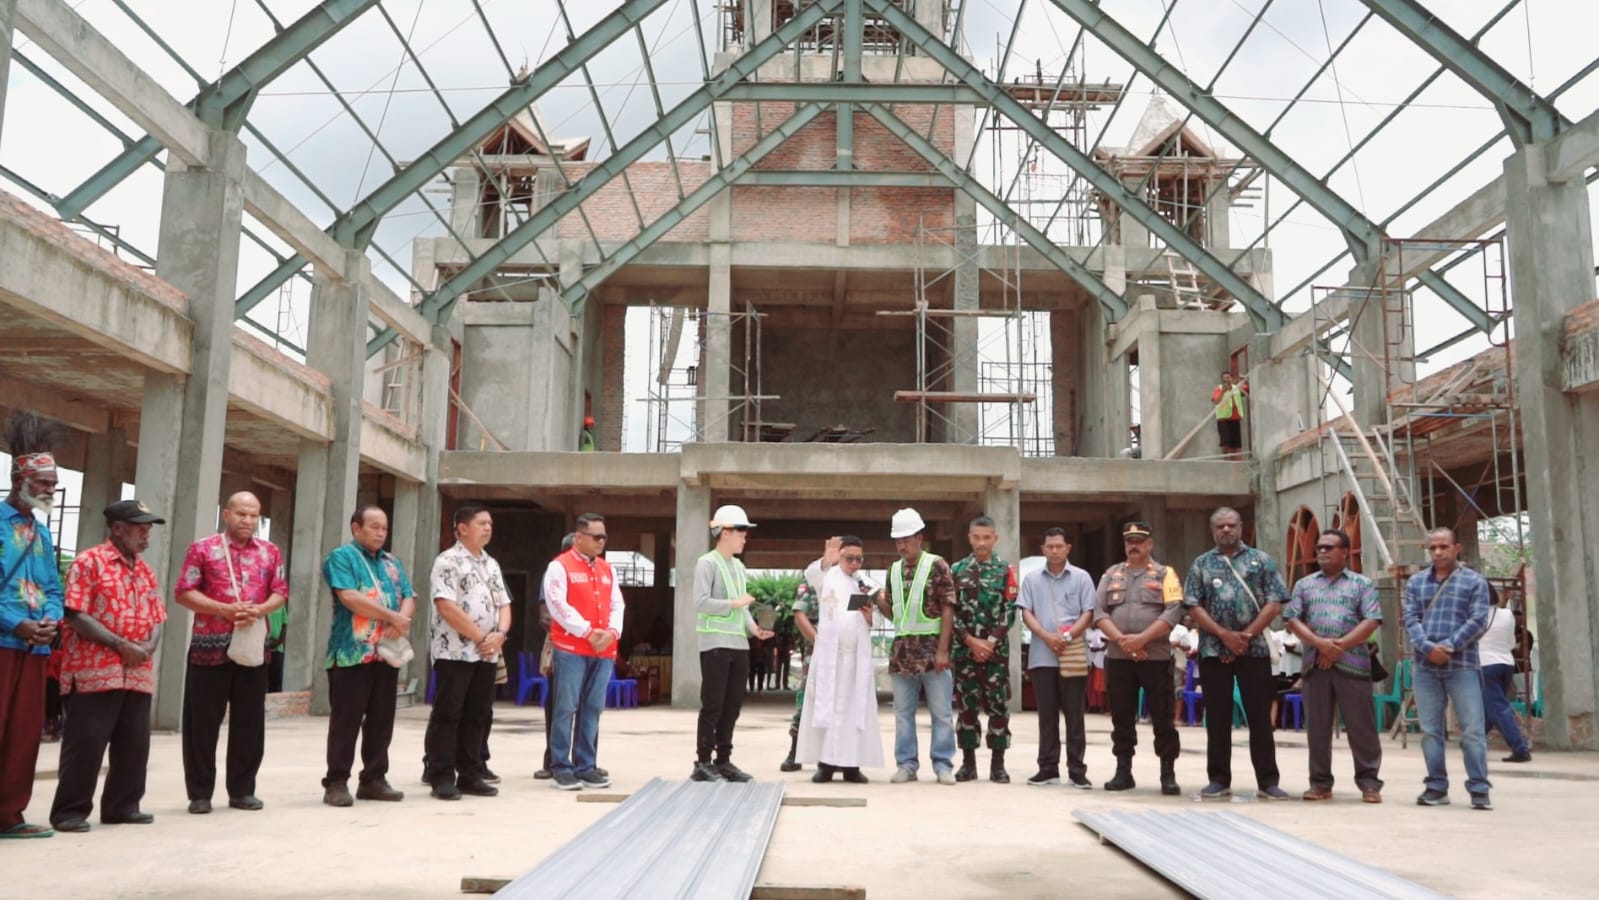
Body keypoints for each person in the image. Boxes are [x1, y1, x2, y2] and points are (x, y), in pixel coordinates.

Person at [49, 500, 166, 832]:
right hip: (95, 670)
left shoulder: (145, 571)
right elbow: (75, 614)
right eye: (140, 528)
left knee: (134, 745)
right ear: (117, 529)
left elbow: (158, 616)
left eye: (148, 529)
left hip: (137, 671)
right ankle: (70, 812)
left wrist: (148, 646)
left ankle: (123, 806)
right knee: (86, 745)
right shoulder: (89, 562)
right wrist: (120, 645)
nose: (146, 535)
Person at [175, 491, 287, 814]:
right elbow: (184, 592)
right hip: (208, 649)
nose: (247, 520)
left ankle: (242, 790)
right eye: (241, 514)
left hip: (252, 648)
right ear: (226, 515)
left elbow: (280, 592)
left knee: (250, 722)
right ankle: (200, 794)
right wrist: (222, 609)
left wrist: (260, 610)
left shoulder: (270, 552)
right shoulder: (203, 549)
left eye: (253, 515)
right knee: (201, 724)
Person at [1183, 506, 1290, 801]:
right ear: (1213, 530)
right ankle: (1218, 779)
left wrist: (1246, 636)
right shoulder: (1202, 564)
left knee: (1259, 717)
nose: (1226, 530)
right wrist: (1224, 636)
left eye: (1231, 525)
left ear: (1241, 527)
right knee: (1217, 718)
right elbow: (1193, 605)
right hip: (1213, 649)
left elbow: (1275, 602)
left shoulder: (1261, 560)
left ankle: (1268, 781)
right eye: (1220, 526)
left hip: (1254, 650)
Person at [320, 505, 414, 806]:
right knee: (346, 721)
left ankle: (374, 779)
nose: (380, 533)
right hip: (352, 653)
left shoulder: (392, 562)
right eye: (374, 526)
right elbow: (349, 597)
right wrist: (391, 616)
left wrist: (402, 619)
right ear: (356, 528)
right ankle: (336, 782)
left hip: (386, 653)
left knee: (381, 720)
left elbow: (408, 595)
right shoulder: (341, 557)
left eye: (384, 528)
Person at [1283, 529, 1384, 804]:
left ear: (1345, 552)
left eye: (1329, 547)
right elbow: (1292, 619)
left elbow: (1372, 620)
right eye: (1319, 548)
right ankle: (1320, 784)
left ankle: (1369, 783)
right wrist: (1320, 644)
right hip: (1315, 666)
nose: (1322, 552)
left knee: (1361, 727)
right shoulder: (1304, 584)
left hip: (1353, 665)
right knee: (1317, 728)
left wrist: (1338, 647)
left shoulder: (1362, 584)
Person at [0, 416, 64, 839]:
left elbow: (53, 587)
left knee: (24, 733)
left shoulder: (41, 534)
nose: (50, 490)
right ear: (19, 479)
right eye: (44, 482)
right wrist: (15, 623)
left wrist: (50, 620)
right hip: (4, 641)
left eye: (54, 484)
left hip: (36, 647)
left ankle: (9, 815)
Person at [424, 505, 510, 800]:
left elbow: (504, 605)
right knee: (448, 714)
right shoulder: (448, 561)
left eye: (490, 523)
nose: (488, 528)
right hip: (455, 652)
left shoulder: (491, 563)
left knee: (478, 714)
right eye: (482, 523)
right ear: (462, 528)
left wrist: (500, 635)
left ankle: (471, 773)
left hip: (487, 653)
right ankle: (441, 775)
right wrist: (482, 637)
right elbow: (446, 606)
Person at [1405, 527, 1493, 810]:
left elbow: (1477, 620)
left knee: (1472, 730)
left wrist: (1449, 646)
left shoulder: (1474, 581)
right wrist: (1428, 648)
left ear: (1457, 548)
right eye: (1433, 548)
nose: (1438, 552)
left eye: (1443, 546)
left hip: (1462, 665)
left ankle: (1479, 789)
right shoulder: (1416, 582)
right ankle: (1436, 787)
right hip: (1425, 666)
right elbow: (1410, 619)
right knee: (1430, 731)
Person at [1093, 521, 1184, 795]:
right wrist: (1124, 642)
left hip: (1155, 659)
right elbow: (1099, 612)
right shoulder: (1111, 574)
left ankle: (1167, 773)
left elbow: (1173, 612)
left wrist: (1141, 640)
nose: (1134, 546)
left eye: (1139, 541)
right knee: (1121, 716)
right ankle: (1123, 772)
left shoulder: (1166, 574)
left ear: (1150, 544)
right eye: (1129, 541)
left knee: (1162, 716)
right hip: (1119, 658)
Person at [691, 504, 773, 782]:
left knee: (732, 706)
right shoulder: (707, 563)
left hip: (739, 645)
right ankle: (703, 762)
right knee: (713, 705)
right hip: (714, 644)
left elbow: (743, 607)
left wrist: (754, 629)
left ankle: (723, 761)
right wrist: (734, 603)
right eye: (741, 532)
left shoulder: (738, 567)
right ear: (725, 532)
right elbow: (700, 602)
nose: (744, 538)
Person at [875, 508, 957, 785]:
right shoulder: (893, 570)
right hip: (903, 652)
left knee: (941, 712)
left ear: (919, 538)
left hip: (933, 651)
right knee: (902, 713)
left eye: (906, 539)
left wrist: (943, 651)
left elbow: (948, 608)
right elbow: (896, 614)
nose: (902, 545)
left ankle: (943, 765)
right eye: (898, 540)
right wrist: (877, 600)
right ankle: (906, 765)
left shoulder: (937, 565)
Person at [544, 513, 624, 790]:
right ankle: (560, 767)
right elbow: (557, 605)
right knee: (565, 707)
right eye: (596, 536)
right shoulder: (559, 566)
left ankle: (586, 766)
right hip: (572, 649)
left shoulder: (607, 569)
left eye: (604, 537)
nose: (602, 542)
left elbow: (617, 604)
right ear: (579, 537)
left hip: (603, 651)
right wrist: (588, 632)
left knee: (592, 708)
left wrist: (612, 632)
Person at [797, 536, 883, 783]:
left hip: (856, 659)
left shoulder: (863, 583)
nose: (854, 564)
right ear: (840, 556)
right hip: (830, 658)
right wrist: (827, 559)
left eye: (859, 559)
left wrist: (869, 615)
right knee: (828, 709)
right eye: (849, 558)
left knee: (853, 712)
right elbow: (811, 574)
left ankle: (851, 766)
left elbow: (875, 620)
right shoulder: (827, 575)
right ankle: (825, 765)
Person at [1017, 527, 1097, 789]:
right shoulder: (1031, 579)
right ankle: (1047, 768)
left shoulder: (1081, 578)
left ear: (1067, 548)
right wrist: (1045, 636)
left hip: (1073, 654)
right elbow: (1026, 612)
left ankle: (1077, 770)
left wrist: (1068, 636)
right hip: (1042, 654)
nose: (1054, 551)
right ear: (1043, 549)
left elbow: (1089, 612)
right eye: (1049, 546)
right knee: (1046, 714)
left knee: (1075, 714)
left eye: (1058, 546)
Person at [950, 516, 1018, 783]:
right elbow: (950, 612)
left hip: (995, 653)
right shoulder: (957, 570)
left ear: (995, 538)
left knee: (997, 706)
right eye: (976, 537)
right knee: (966, 708)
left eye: (986, 537)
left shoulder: (1005, 570)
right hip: (965, 651)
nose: (981, 543)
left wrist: (989, 642)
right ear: (970, 538)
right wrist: (970, 640)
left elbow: (1010, 610)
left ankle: (998, 765)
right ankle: (968, 764)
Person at [1480, 587, 1532, 764]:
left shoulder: (1475, 617)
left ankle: (1520, 748)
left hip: (1485, 664)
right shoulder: (1508, 615)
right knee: (1491, 706)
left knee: (1498, 707)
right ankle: (1474, 741)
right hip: (1506, 663)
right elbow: (1511, 642)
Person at [780, 578, 817, 772]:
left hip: (844, 650)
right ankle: (795, 751)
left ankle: (835, 757)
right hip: (816, 648)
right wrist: (818, 640)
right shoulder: (811, 579)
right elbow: (799, 614)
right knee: (806, 696)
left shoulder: (851, 579)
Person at [1211, 371, 1249, 459]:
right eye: (1225, 377)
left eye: (1229, 377)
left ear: (1231, 378)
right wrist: (1223, 392)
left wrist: (1245, 380)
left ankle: (1234, 461)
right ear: (1222, 379)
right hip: (1224, 419)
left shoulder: (1237, 388)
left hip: (1235, 418)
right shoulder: (1219, 389)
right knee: (1225, 442)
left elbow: (1247, 390)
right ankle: (1226, 461)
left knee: (1235, 444)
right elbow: (1216, 401)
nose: (1227, 379)